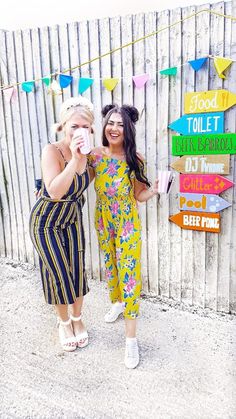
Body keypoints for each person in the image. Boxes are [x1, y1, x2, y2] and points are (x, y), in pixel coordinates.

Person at [87, 104, 159, 368]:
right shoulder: (94, 155)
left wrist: (154, 191)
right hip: (104, 220)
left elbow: (139, 195)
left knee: (130, 274)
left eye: (120, 124)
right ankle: (116, 303)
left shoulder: (134, 159)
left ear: (128, 129)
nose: (114, 128)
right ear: (104, 126)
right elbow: (82, 181)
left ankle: (130, 340)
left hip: (128, 222)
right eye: (110, 123)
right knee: (111, 266)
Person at [29, 96, 94, 351]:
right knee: (59, 274)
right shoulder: (52, 151)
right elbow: (55, 191)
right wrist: (76, 161)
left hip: (72, 220)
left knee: (77, 272)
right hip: (46, 223)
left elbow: (115, 160)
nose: (79, 132)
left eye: (85, 127)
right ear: (63, 126)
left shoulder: (92, 154)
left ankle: (78, 320)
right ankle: (64, 322)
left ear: (91, 129)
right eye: (74, 126)